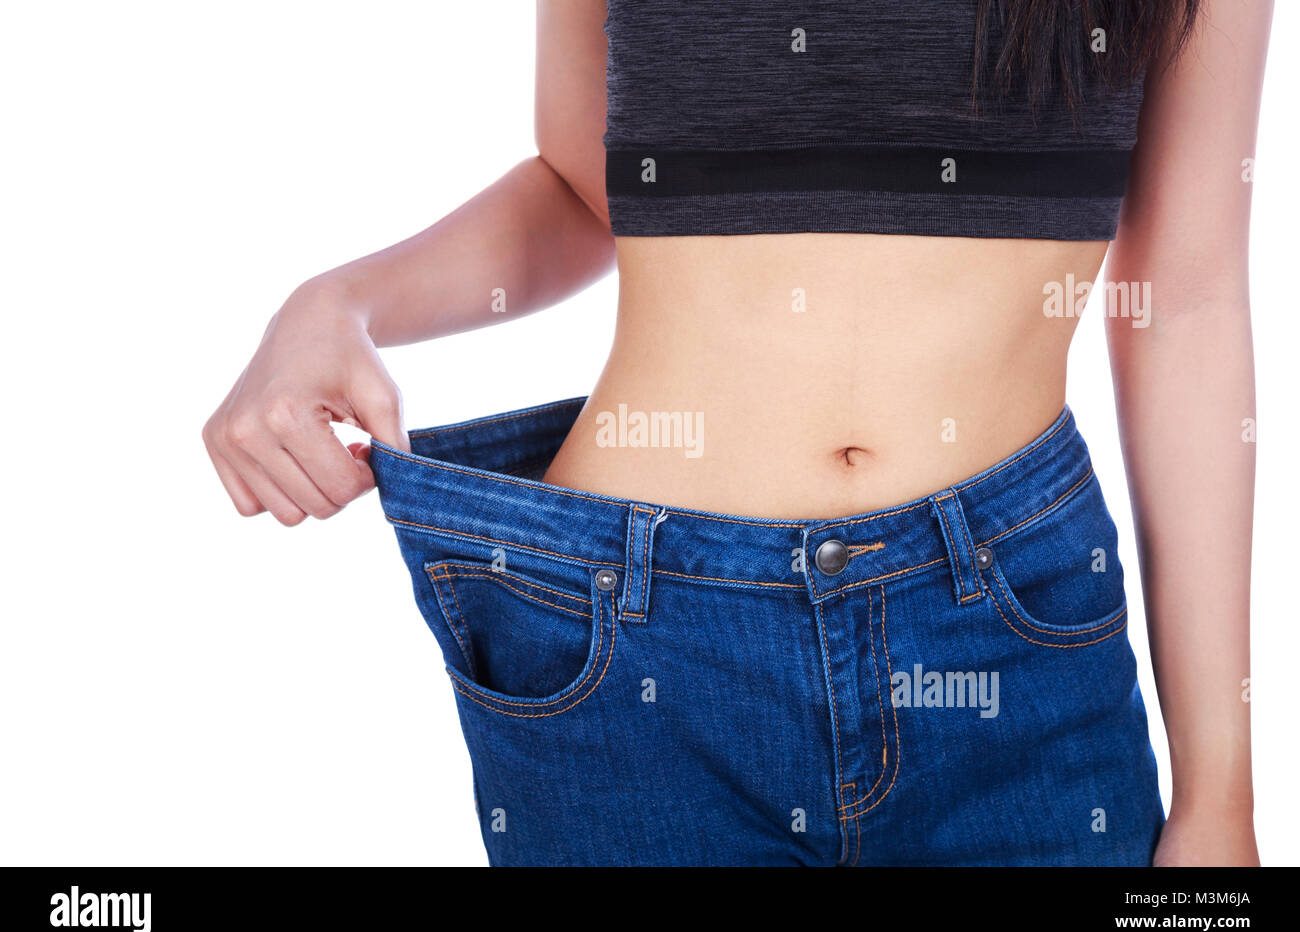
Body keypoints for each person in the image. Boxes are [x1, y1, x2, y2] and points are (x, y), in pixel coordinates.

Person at [203, 0, 1271, 866]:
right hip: (633, 648)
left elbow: (1184, 300)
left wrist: (1219, 790)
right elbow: (588, 187)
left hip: (1013, 644)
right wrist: (338, 305)